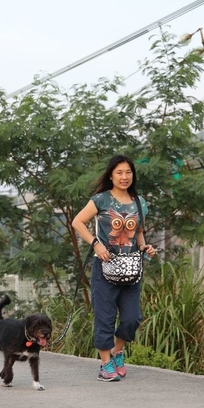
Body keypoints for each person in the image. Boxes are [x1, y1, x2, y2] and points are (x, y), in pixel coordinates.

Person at [72, 154, 155, 382]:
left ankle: (118, 352)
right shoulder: (101, 200)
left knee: (132, 318)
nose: (124, 176)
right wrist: (96, 244)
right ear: (111, 175)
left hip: (131, 269)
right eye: (119, 172)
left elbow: (138, 232)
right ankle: (105, 364)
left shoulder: (140, 202)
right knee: (105, 317)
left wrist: (144, 247)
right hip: (105, 267)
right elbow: (77, 222)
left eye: (128, 172)